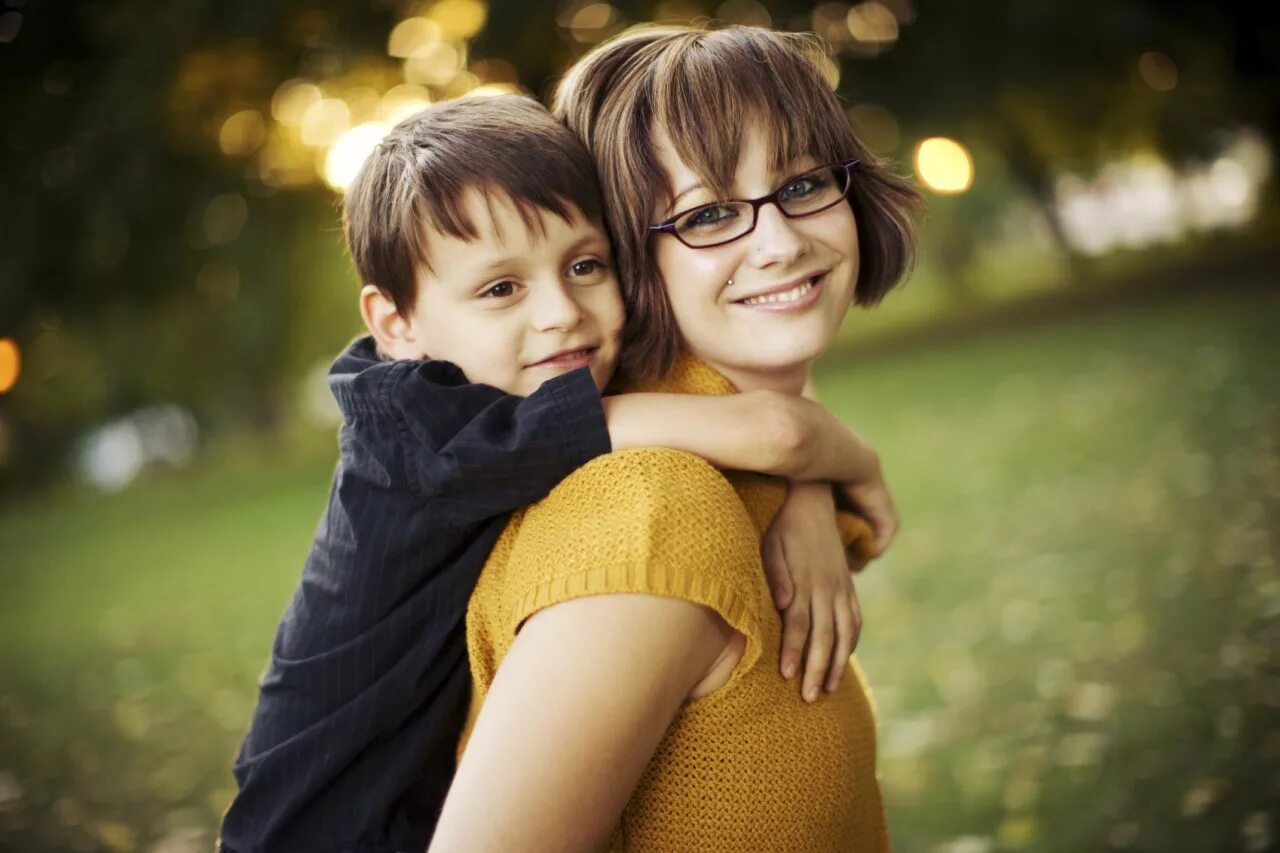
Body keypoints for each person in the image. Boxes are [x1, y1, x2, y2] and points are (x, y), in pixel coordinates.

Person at [219, 95, 897, 853]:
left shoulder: (490, 376)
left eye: (585, 264)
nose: (561, 313)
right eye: (501, 288)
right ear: (395, 324)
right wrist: (843, 464)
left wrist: (800, 494)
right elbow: (771, 428)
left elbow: (757, 391)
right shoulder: (429, 434)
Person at [431, 24, 921, 852]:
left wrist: (806, 469)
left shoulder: (740, 464)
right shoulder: (652, 518)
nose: (780, 241)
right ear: (620, 256)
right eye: (709, 214)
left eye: (804, 184)